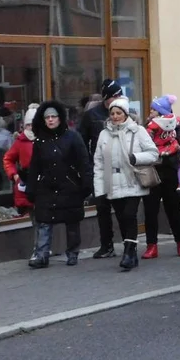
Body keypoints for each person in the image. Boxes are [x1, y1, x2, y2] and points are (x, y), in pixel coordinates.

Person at [93, 96, 159, 271]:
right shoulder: (104, 134)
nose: (115, 116)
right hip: (112, 182)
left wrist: (135, 157)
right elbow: (98, 163)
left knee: (130, 215)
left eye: (118, 113)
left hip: (133, 180)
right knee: (122, 218)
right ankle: (131, 251)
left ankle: (129, 253)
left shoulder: (137, 131)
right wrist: (99, 189)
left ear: (125, 114)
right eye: (112, 113)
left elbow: (153, 153)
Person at [25, 102, 93, 267]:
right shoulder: (40, 140)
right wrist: (31, 187)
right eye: (47, 117)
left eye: (53, 116)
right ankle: (41, 255)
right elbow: (34, 166)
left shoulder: (73, 137)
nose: (50, 120)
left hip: (69, 185)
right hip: (47, 186)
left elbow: (84, 162)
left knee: (71, 221)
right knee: (44, 221)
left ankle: (72, 253)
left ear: (60, 118)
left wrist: (86, 184)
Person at [78, 78, 125, 259]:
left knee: (123, 210)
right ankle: (107, 245)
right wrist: (88, 165)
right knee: (103, 210)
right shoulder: (92, 115)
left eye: (119, 95)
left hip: (121, 168)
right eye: (114, 95)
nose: (117, 98)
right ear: (106, 97)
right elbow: (81, 141)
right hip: (100, 169)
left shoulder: (127, 113)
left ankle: (129, 245)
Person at [142, 95, 180, 259]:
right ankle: (151, 246)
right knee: (150, 210)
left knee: (173, 209)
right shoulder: (147, 126)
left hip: (170, 170)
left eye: (154, 109)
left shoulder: (176, 125)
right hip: (152, 170)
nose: (151, 112)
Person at [3, 104, 37, 224]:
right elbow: (8, 159)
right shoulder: (20, 142)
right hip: (26, 184)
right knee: (34, 221)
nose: (30, 127)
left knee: (44, 223)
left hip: (43, 185)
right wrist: (14, 175)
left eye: (33, 124)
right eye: (28, 124)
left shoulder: (45, 139)